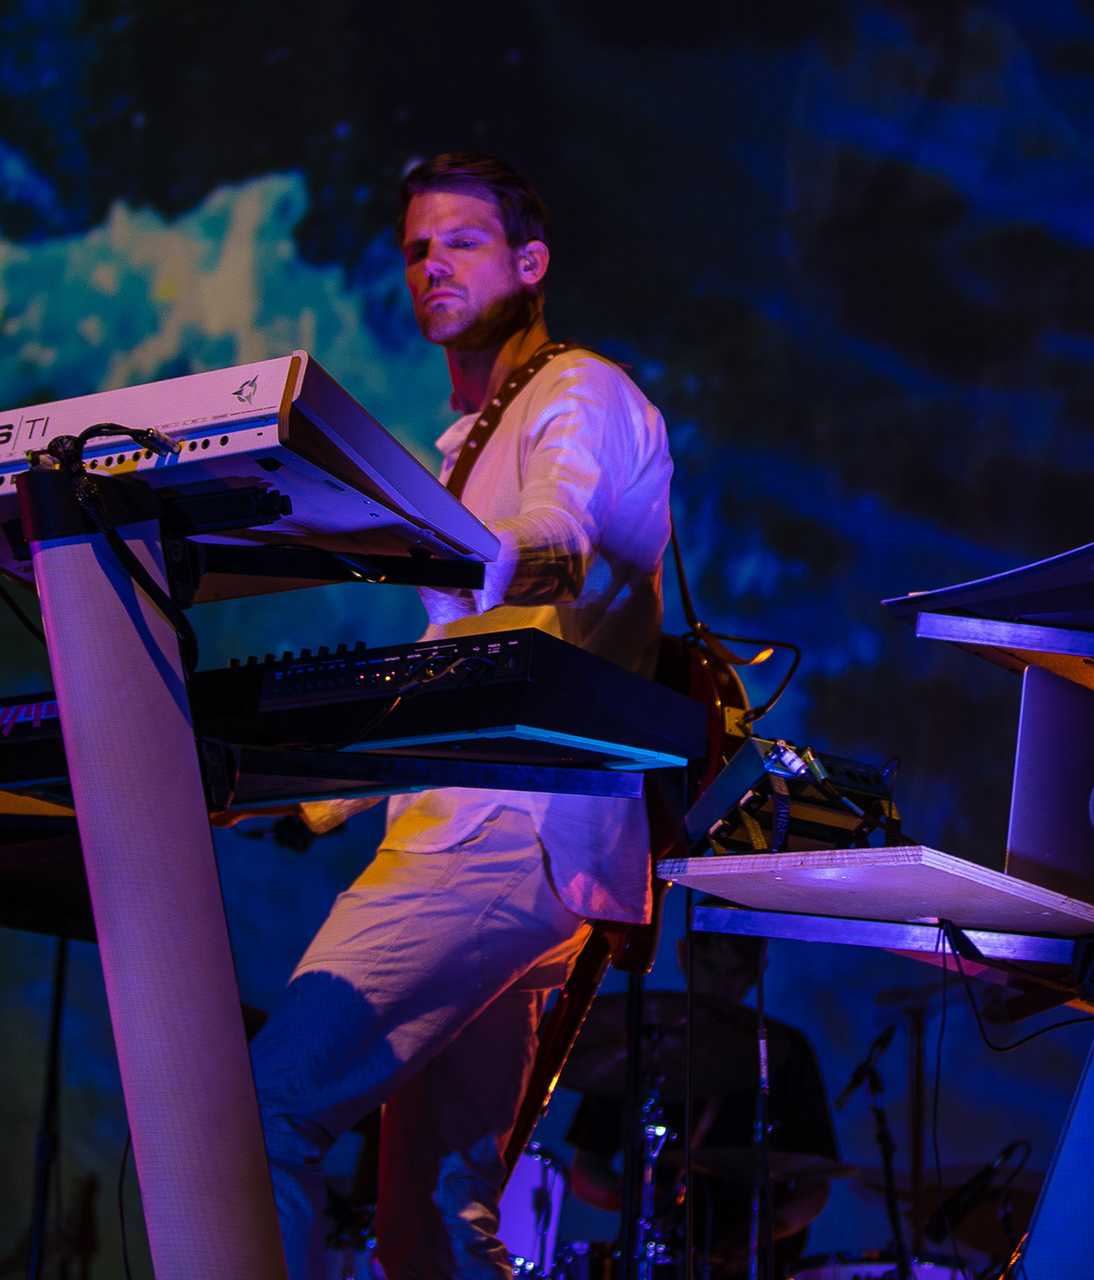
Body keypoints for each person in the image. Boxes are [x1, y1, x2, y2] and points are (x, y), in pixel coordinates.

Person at [245, 152, 674, 1280]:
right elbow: (465, 665)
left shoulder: (579, 395)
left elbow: (558, 539)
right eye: (417, 248)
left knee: (264, 1114)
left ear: (532, 264)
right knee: (436, 1220)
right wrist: (317, 800)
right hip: (525, 843)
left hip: (498, 833)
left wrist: (452, 552)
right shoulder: (468, 441)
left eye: (464, 242)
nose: (432, 263)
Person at [566, 927, 837, 1278]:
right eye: (708, 966)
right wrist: (642, 1201)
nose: (720, 986)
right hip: (655, 1259)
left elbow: (814, 1187)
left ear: (759, 969)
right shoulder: (642, 1043)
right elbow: (585, 1173)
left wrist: (759, 1235)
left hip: (753, 1265)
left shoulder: (785, 1052)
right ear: (683, 955)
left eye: (736, 971)